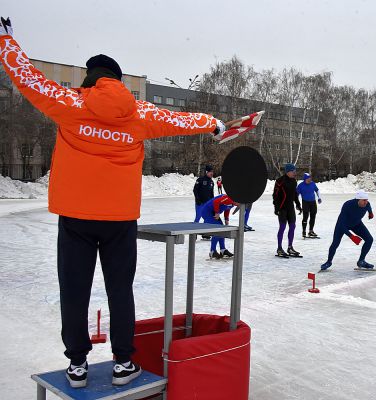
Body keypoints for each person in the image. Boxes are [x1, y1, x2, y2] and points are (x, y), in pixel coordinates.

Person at [0, 18, 228, 388]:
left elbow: (28, 78)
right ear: (118, 81)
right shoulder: (138, 113)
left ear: (90, 78)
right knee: (120, 290)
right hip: (119, 219)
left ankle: (77, 365)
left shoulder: (69, 103)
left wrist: (5, 40)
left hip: (75, 218)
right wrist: (213, 123)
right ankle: (124, 362)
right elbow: (177, 119)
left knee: (74, 291)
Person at [321, 190, 375, 271]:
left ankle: (361, 261)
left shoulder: (367, 204)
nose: (366, 202)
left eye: (367, 200)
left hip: (357, 224)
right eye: (364, 200)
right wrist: (351, 236)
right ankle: (329, 262)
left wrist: (370, 213)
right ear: (358, 200)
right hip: (342, 225)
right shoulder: (348, 205)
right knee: (335, 243)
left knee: (369, 239)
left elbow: (369, 206)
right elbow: (342, 224)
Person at [273, 163, 302, 257]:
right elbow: (275, 196)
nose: (295, 173)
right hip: (282, 208)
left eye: (295, 171)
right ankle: (279, 248)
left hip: (290, 208)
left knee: (293, 226)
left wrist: (298, 205)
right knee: (282, 227)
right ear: (288, 171)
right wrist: (276, 208)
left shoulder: (294, 181)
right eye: (293, 171)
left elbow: (295, 195)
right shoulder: (280, 181)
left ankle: (290, 247)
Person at [200, 194, 238, 259]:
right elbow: (216, 201)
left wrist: (226, 219)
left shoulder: (233, 203)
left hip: (213, 212)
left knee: (222, 230)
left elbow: (227, 208)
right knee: (218, 230)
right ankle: (212, 251)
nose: (239, 206)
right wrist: (217, 213)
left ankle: (223, 250)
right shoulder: (229, 198)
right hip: (207, 212)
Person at [296, 172, 322, 238]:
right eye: (308, 179)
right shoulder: (300, 185)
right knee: (305, 217)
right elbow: (296, 195)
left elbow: (317, 190)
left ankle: (311, 231)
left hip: (313, 202)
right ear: (305, 179)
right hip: (305, 202)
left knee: (313, 216)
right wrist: (297, 204)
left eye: (310, 178)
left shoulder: (312, 183)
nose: (310, 180)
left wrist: (319, 198)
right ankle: (304, 231)